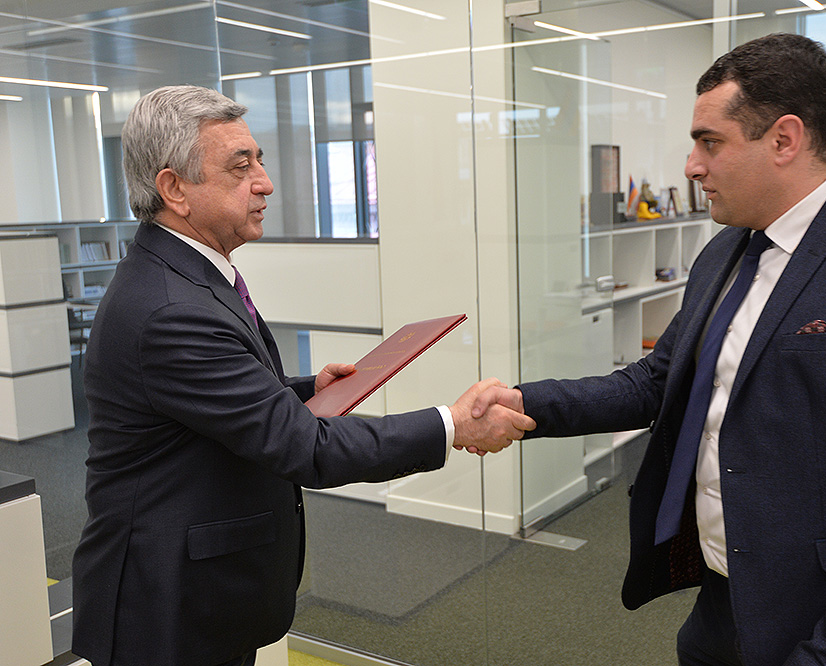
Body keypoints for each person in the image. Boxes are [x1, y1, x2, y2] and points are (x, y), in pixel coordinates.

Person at [464, 33, 826, 665]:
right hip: (722, 610)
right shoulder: (725, 252)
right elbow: (656, 381)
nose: (691, 166)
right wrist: (524, 404)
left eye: (709, 142)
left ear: (784, 140)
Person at [72, 85, 533, 666]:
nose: (265, 183)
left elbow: (204, 404)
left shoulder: (187, 276)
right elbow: (305, 448)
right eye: (241, 167)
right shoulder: (170, 308)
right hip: (164, 605)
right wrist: (453, 425)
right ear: (174, 189)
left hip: (196, 591)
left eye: (259, 161)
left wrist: (302, 391)